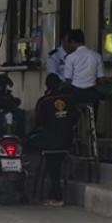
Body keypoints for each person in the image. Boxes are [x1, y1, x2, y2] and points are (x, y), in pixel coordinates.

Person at [34, 74, 77, 207]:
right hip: (67, 140)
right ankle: (54, 195)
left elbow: (38, 121)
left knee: (53, 169)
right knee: (56, 167)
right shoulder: (70, 100)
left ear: (47, 86)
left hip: (50, 141)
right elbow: (75, 118)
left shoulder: (44, 101)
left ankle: (57, 197)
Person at [62, 29, 104, 118]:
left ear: (72, 42)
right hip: (92, 95)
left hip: (76, 95)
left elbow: (68, 80)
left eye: (68, 43)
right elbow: (101, 79)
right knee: (95, 100)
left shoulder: (70, 57)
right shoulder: (96, 56)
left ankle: (73, 127)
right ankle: (92, 127)